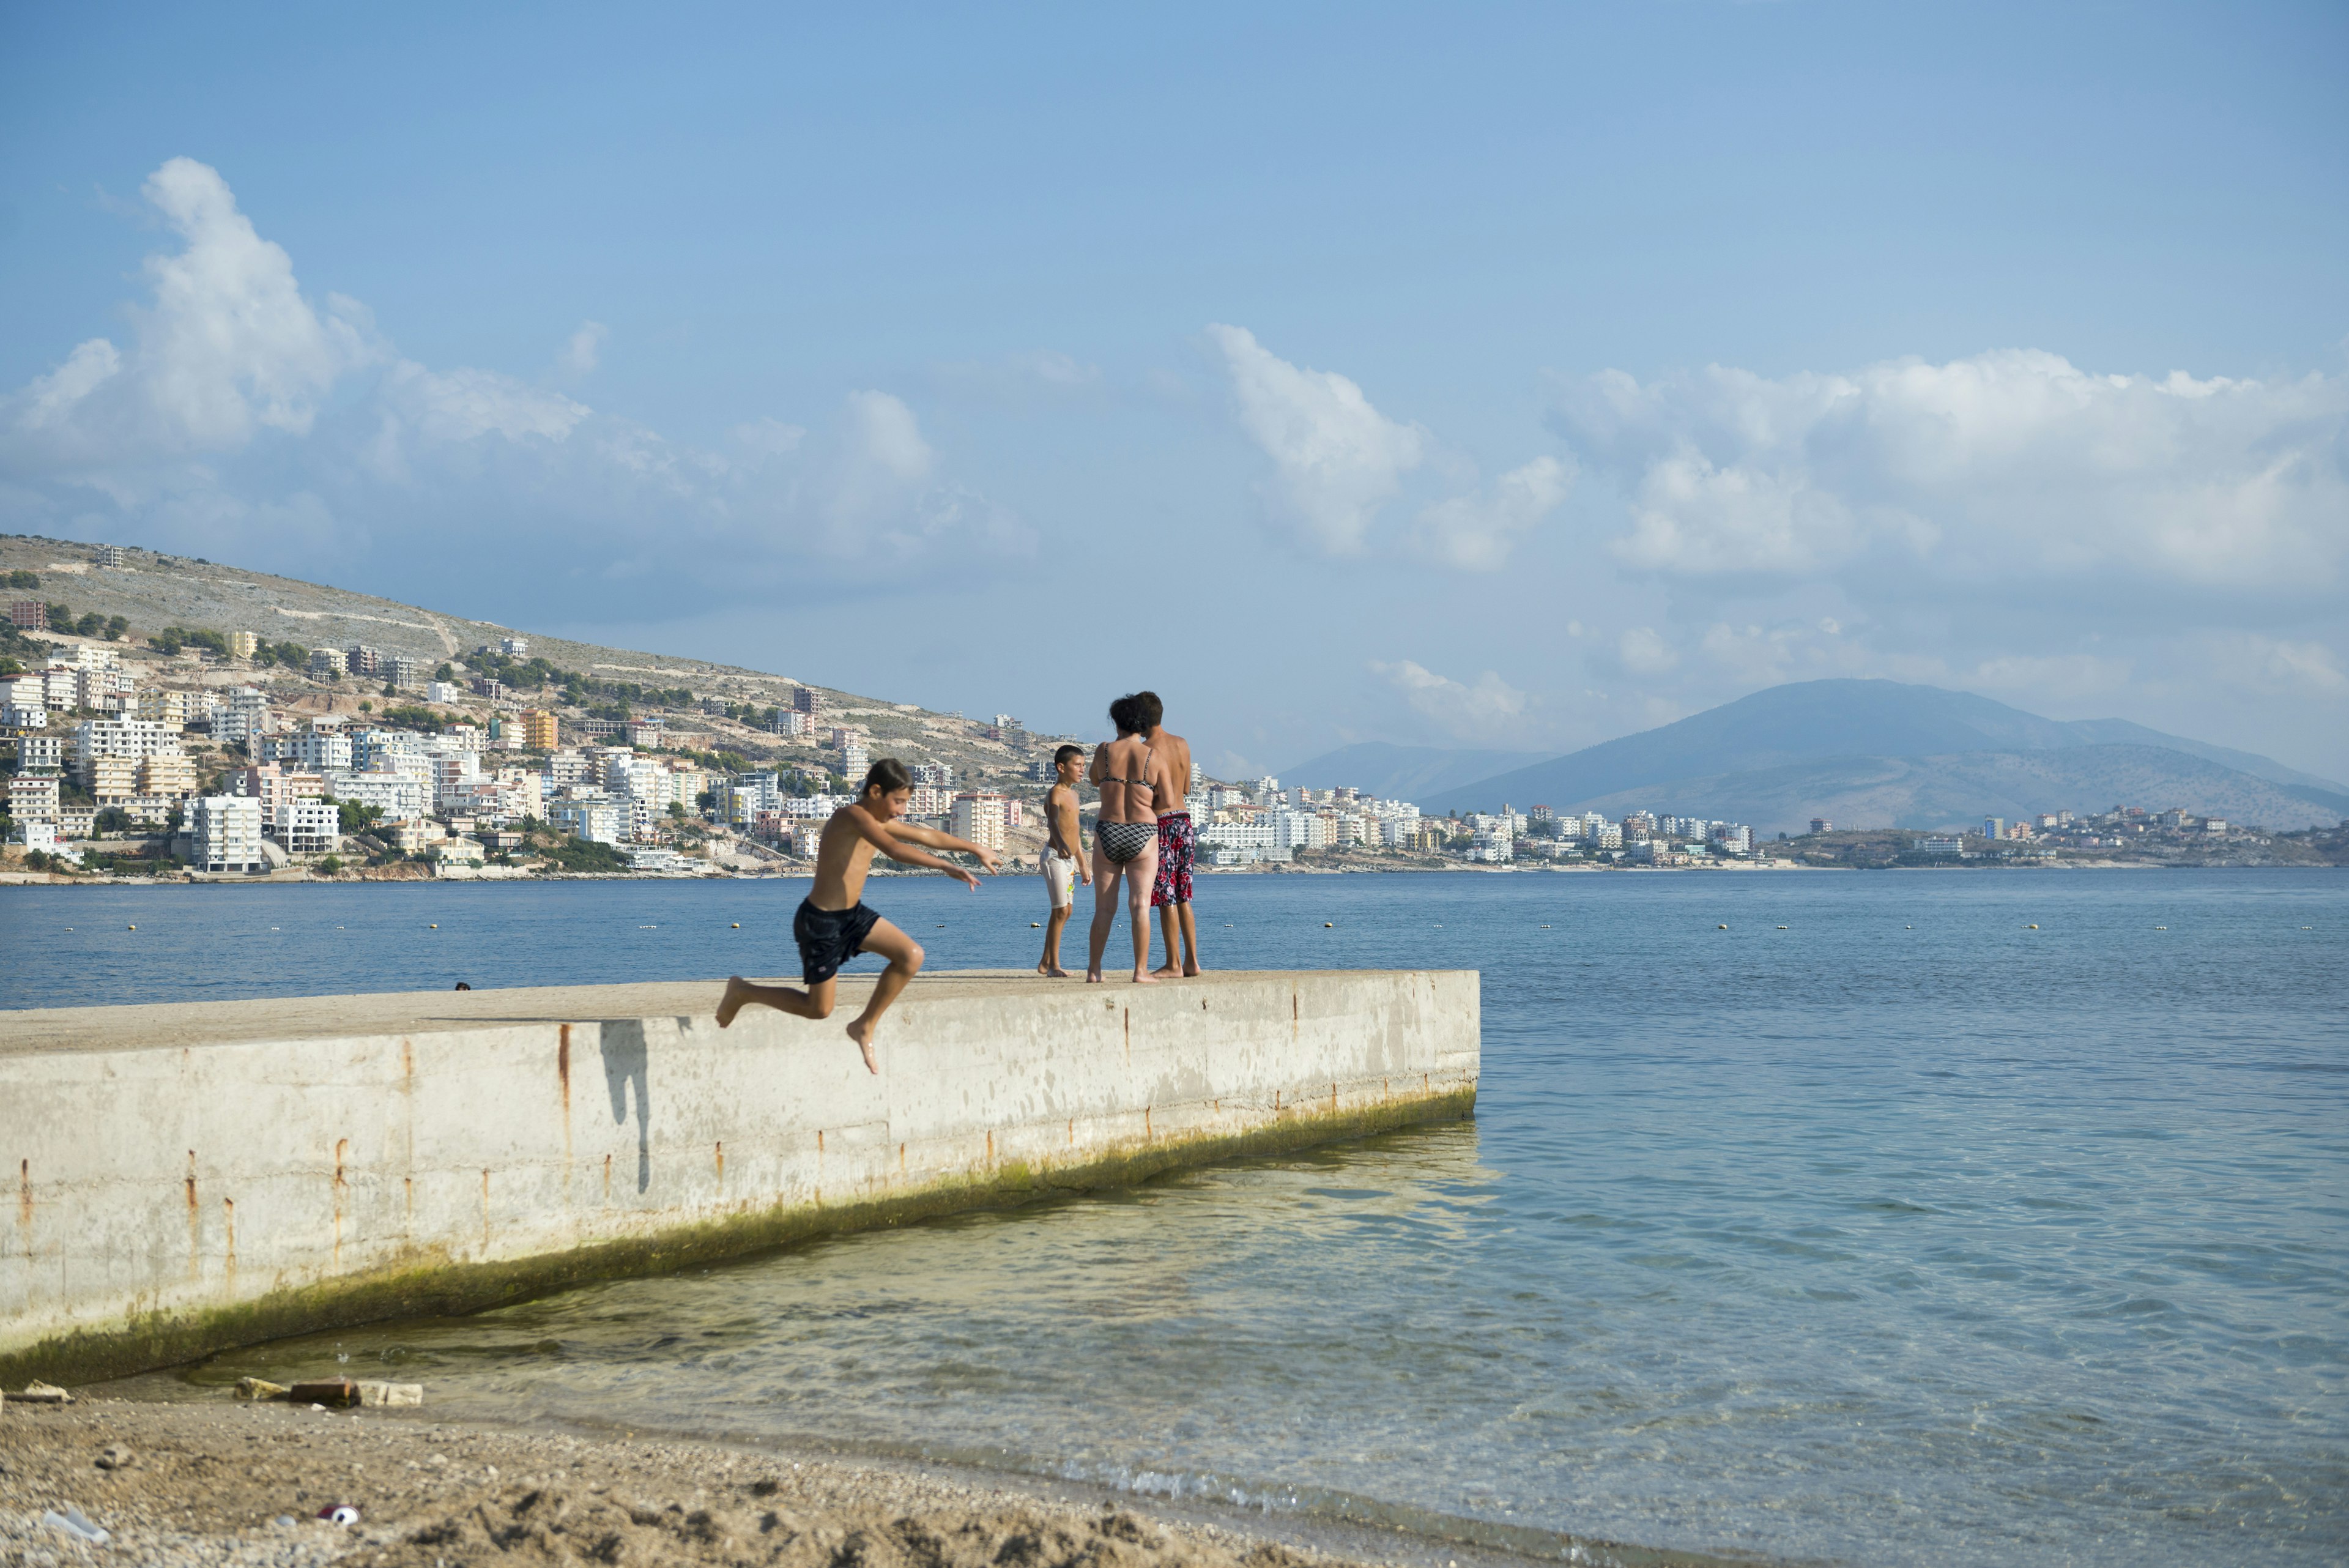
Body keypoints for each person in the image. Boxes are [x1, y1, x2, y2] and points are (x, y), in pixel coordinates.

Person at [716, 758, 1000, 1072]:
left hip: (852, 916)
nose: (902, 811)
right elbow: (894, 849)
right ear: (876, 791)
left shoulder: (878, 821)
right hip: (820, 921)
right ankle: (743, 991)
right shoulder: (851, 816)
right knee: (819, 1009)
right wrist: (946, 866)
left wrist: (975, 848)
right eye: (899, 802)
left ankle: (864, 1026)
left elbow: (929, 837)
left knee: (911, 956)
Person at [1086, 694, 1178, 984]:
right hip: (1142, 832)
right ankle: (1140, 972)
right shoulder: (1153, 756)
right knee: (1140, 905)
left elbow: (1094, 779)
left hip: (1108, 830)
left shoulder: (1103, 751)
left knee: (1104, 908)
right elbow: (1169, 799)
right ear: (1142, 722)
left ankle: (1094, 971)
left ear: (1116, 722)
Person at [1134, 690, 1201, 978]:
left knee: (1165, 896)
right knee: (1184, 893)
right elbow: (1184, 788)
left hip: (1161, 824)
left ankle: (1173, 964)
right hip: (1185, 822)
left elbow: (1147, 794)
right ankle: (1192, 962)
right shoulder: (1182, 744)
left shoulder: (1145, 751)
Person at [1037, 743, 1089, 977]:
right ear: (1061, 767)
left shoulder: (1075, 795)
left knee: (1066, 911)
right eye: (1077, 765)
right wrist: (1060, 844)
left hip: (1069, 860)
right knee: (1060, 911)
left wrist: (1084, 864)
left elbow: (1076, 833)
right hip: (1054, 858)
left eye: (1083, 766)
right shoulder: (1055, 793)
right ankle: (1053, 967)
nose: (1082, 770)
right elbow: (1053, 822)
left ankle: (1045, 961)